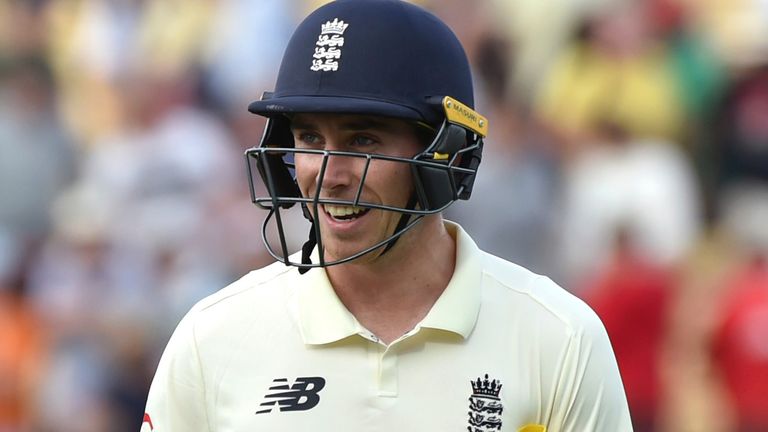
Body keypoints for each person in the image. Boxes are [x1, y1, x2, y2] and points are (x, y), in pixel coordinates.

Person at [142, 1, 632, 430]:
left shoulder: (559, 339)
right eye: (310, 138)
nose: (329, 174)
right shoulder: (213, 340)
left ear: (448, 155)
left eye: (363, 140)